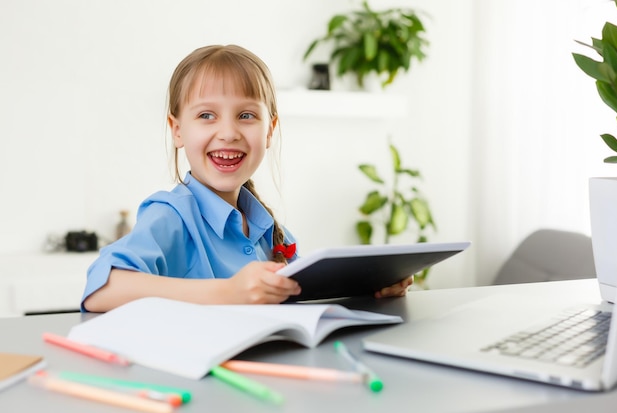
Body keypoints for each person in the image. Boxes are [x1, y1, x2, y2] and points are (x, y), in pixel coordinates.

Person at [81, 44, 413, 313]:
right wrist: (227, 291)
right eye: (206, 115)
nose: (228, 132)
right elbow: (101, 289)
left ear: (269, 130)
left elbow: (302, 291)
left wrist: (369, 287)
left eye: (246, 115)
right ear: (177, 130)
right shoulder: (171, 215)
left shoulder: (266, 226)